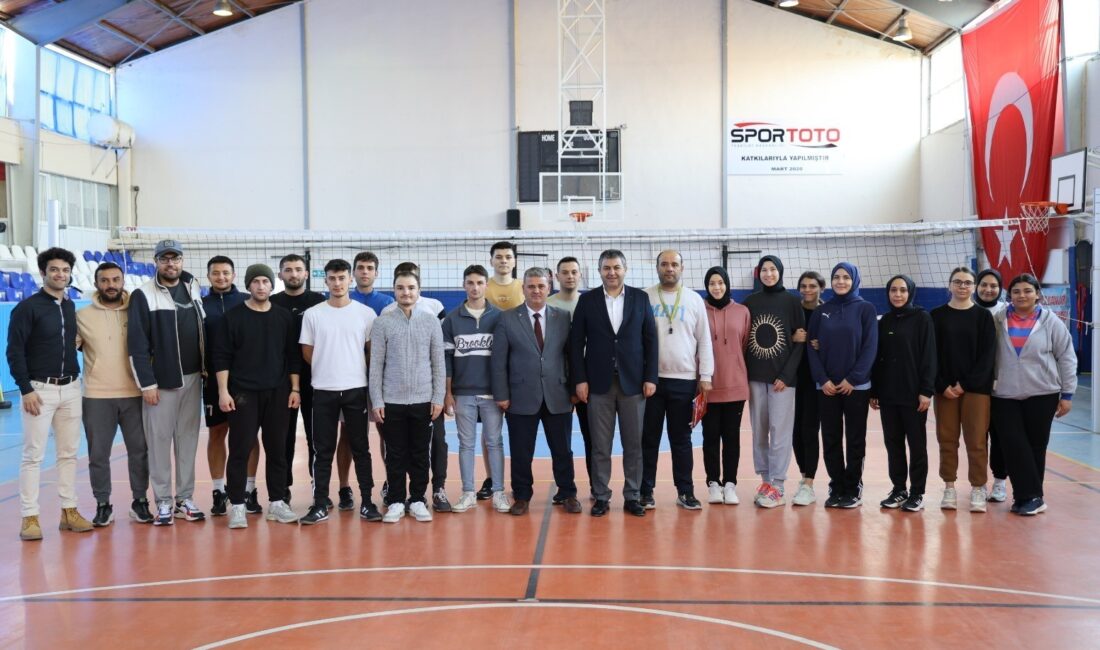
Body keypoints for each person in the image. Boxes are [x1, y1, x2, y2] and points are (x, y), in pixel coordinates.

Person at [7, 247, 93, 540]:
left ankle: (69, 511)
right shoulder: (27, 308)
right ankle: (29, 517)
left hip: (71, 388)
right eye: (54, 270)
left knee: (69, 454)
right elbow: (14, 351)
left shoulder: (69, 306)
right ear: (43, 273)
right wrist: (26, 389)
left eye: (65, 270)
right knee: (33, 455)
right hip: (39, 391)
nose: (60, 274)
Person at [570, 249, 658, 517]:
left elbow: (651, 341)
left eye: (616, 267)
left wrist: (650, 377)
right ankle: (601, 496)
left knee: (633, 445)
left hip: (634, 383)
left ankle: (632, 496)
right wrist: (580, 379)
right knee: (600, 446)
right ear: (599, 271)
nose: (612, 272)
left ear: (625, 269)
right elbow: (576, 343)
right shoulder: (587, 301)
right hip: (598, 384)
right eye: (606, 268)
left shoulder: (640, 299)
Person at [214, 264, 303, 528]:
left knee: (277, 450)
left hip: (278, 392)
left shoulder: (284, 317)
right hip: (243, 394)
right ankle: (237, 506)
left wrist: (295, 389)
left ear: (272, 285)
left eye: (265, 281)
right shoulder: (232, 317)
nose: (261, 286)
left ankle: (277, 502)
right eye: (256, 282)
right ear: (248, 285)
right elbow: (222, 357)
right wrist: (223, 391)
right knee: (240, 450)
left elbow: (292, 356)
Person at [128, 239, 207, 526]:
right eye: (165, 259)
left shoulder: (193, 287)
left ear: (182, 261)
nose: (170, 264)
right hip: (161, 383)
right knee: (159, 443)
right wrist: (146, 384)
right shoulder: (143, 294)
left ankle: (184, 499)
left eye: (175, 259)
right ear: (156, 262)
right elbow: (136, 344)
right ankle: (163, 501)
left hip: (193, 378)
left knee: (187, 442)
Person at [492, 267, 580, 516]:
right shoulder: (507, 318)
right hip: (520, 396)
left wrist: (573, 388)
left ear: (549, 288)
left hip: (558, 394)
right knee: (521, 451)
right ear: (523, 289)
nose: (536, 291)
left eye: (541, 286)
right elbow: (498, 361)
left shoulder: (563, 317)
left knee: (562, 450)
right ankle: (521, 496)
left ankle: (568, 492)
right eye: (531, 286)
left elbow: (571, 356)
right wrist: (501, 394)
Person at [298, 259, 379, 525]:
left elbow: (371, 351)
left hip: (356, 389)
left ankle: (367, 502)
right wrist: (329, 367)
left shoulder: (366, 314)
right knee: (323, 450)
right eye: (332, 278)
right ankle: (320, 503)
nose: (337, 283)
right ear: (326, 281)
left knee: (361, 448)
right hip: (323, 390)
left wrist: (350, 369)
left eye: (342, 278)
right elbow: (307, 351)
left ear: (350, 279)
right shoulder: (313, 314)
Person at [991, 274, 1076, 516]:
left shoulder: (1051, 321)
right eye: (1016, 291)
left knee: (1036, 446)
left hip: (1043, 393)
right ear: (1010, 295)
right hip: (1004, 394)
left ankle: (1029, 497)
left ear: (1037, 294)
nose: (1022, 295)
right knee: (1013, 444)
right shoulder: (998, 319)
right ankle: (1030, 496)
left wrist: (1067, 394)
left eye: (1028, 291)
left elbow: (1066, 357)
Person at [76, 261, 151, 527]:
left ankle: (140, 501)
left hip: (135, 393)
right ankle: (102, 504)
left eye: (115, 280)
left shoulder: (137, 311)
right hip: (96, 396)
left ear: (123, 281)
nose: (111, 285)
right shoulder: (82, 316)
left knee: (139, 451)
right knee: (98, 455)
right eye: (105, 280)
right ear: (96, 283)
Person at [371, 270, 446, 524]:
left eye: (411, 288)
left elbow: (438, 363)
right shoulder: (382, 323)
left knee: (420, 454)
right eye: (401, 288)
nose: (406, 292)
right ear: (394, 290)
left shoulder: (431, 322)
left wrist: (438, 397)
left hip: (423, 400)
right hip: (392, 401)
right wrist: (377, 400)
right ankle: (395, 500)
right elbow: (376, 365)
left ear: (418, 291)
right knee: (395, 454)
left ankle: (417, 500)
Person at [641, 250, 713, 509]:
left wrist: (706, 375)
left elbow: (705, 340)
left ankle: (685, 491)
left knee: (681, 439)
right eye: (664, 264)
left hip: (684, 380)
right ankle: (645, 491)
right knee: (648, 439)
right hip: (651, 380)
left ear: (682, 268)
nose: (669, 268)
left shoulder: (694, 300)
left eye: (674, 264)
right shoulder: (644, 297)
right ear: (657, 267)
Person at [807, 262, 878, 509]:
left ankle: (853, 486)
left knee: (855, 439)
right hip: (826, 387)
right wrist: (823, 379)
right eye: (836, 277)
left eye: (846, 277)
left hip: (856, 387)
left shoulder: (866, 309)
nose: (840, 281)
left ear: (854, 280)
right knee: (830, 438)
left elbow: (870, 347)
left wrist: (853, 379)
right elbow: (811, 348)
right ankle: (836, 485)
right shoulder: (821, 311)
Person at [442, 265, 509, 513]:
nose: (475, 287)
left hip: (492, 393)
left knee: (495, 442)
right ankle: (468, 492)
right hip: (463, 393)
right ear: (463, 285)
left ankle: (499, 492)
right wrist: (448, 393)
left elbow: (506, 359)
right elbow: (447, 359)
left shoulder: (500, 317)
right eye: (470, 283)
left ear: (486, 285)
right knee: (466, 444)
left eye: (480, 282)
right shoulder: (451, 319)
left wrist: (504, 392)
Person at [930, 267, 996, 513]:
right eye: (957, 282)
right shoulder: (936, 316)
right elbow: (930, 355)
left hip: (976, 389)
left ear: (974, 286)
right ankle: (949, 487)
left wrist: (965, 384)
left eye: (968, 282)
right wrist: (941, 385)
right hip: (945, 390)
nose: (962, 286)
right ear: (950, 285)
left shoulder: (983, 317)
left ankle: (978, 487)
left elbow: (987, 356)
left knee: (976, 440)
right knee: (947, 439)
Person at [332, 251, 394, 511]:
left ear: (376, 273)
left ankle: (391, 483)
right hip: (350, 379)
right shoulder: (341, 300)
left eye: (369, 268)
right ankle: (344, 487)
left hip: (381, 379)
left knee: (386, 432)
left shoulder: (387, 303)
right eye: (360, 267)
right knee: (347, 434)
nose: (365, 272)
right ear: (353, 273)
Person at [742, 255, 804, 508]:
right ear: (759, 274)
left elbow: (800, 342)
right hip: (755, 378)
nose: (768, 274)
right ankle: (766, 481)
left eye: (772, 269)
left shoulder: (792, 302)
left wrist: (786, 376)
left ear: (780, 271)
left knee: (780, 432)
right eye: (764, 270)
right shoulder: (750, 302)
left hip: (782, 381)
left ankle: (778, 486)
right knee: (759, 431)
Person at [870, 275, 935, 512]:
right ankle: (899, 489)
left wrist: (926, 390)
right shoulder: (884, 320)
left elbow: (929, 356)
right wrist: (875, 390)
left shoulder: (922, 318)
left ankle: (917, 492)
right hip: (888, 394)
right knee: (893, 444)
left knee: (917, 445)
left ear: (910, 292)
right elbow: (877, 358)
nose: (898, 294)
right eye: (893, 290)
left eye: (902, 290)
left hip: (913, 394)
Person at [269, 254, 326, 504]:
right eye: (288, 270)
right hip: (281, 381)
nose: (294, 274)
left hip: (316, 378)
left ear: (306, 273)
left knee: (317, 436)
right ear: (280, 275)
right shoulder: (272, 302)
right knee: (284, 436)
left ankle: (318, 485)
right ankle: (283, 487)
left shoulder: (319, 302)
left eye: (298, 269)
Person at [201, 255, 251, 517]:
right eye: (216, 273)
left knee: (248, 436)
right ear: (209, 276)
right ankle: (218, 490)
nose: (221, 277)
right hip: (212, 380)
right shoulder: (200, 304)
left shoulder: (246, 300)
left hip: (245, 380)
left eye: (226, 273)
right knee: (217, 432)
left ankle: (249, 489)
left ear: (234, 275)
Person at [701, 266, 750, 506]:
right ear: (707, 286)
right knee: (710, 437)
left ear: (727, 284)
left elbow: (744, 344)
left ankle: (730, 484)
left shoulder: (742, 311)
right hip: (707, 386)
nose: (717, 287)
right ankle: (713, 483)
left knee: (731, 438)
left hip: (735, 386)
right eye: (712, 283)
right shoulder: (699, 309)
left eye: (720, 282)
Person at [545, 256, 593, 500]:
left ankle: (597, 486)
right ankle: (565, 488)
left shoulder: (591, 303)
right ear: (557, 276)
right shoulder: (547, 304)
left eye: (574, 271)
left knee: (592, 438)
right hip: (556, 381)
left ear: (580, 275)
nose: (570, 276)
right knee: (560, 440)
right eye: (565, 272)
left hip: (586, 380)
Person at [790, 270, 825, 506]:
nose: (807, 290)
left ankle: (810, 483)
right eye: (803, 286)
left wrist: (824, 344)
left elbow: (837, 341)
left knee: (810, 430)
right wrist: (793, 337)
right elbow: (782, 337)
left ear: (821, 288)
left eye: (812, 286)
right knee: (794, 431)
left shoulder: (826, 312)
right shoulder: (794, 310)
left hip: (816, 381)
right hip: (793, 379)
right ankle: (803, 477)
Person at [975, 268, 1009, 503]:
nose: (988, 289)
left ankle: (999, 482)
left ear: (1000, 288)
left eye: (993, 286)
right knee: (977, 438)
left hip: (1001, 387)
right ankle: (978, 483)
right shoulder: (969, 310)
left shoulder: (1007, 312)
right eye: (984, 285)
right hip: (976, 386)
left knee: (999, 436)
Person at [485, 241, 524, 310]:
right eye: (498, 257)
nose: (504, 261)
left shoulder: (524, 286)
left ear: (515, 262)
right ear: (491, 262)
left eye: (508, 257)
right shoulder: (482, 286)